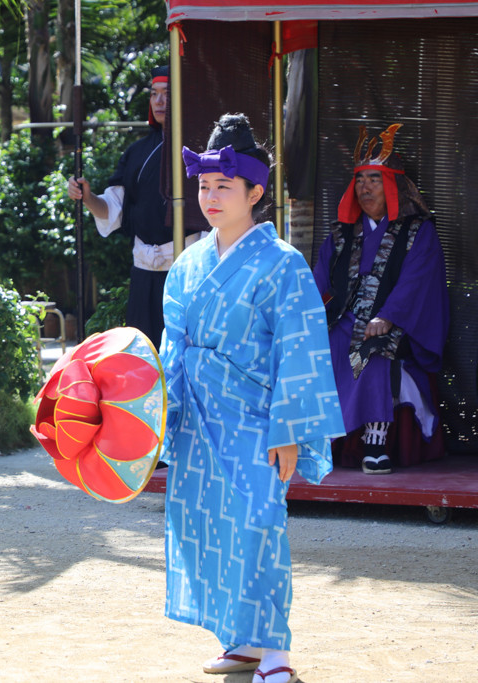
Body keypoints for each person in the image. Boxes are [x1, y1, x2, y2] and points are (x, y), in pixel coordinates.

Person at [160, 114, 344, 683]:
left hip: (256, 418)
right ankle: (238, 640)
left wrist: (289, 428)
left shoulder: (283, 264)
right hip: (195, 417)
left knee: (260, 522)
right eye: (203, 186)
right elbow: (172, 342)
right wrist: (157, 418)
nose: (209, 197)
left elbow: (301, 348)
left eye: (223, 187)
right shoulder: (188, 262)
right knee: (207, 522)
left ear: (255, 192)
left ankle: (276, 651)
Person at [313, 124, 448, 474]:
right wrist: (306, 312)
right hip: (344, 316)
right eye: (359, 180)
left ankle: (376, 443)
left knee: (371, 349)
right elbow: (319, 278)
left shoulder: (419, 231)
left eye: (374, 179)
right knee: (322, 343)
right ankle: (322, 438)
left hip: (395, 324)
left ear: (391, 185)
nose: (364, 187)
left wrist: (388, 316)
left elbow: (417, 283)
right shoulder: (342, 233)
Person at [67, 65, 202, 348]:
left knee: (183, 351)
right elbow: (113, 210)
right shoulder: (137, 151)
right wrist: (88, 197)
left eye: (167, 94)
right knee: (143, 354)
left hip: (187, 267)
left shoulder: (198, 149)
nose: (160, 101)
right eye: (154, 94)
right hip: (143, 269)